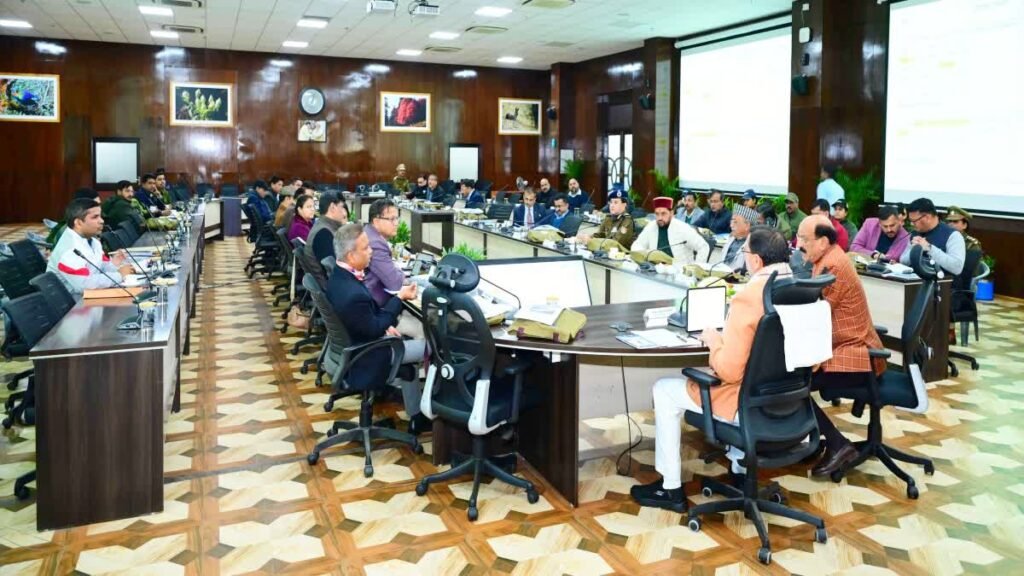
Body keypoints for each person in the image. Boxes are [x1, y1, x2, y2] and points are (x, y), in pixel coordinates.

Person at [631, 227, 794, 511]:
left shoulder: (750, 296)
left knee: (664, 390)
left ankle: (670, 488)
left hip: (745, 406)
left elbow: (730, 371)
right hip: (788, 406)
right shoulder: (801, 290)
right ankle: (740, 474)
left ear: (756, 260)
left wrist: (714, 339)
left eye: (745, 252)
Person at [795, 216, 886, 477]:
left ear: (823, 241)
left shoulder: (833, 265)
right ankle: (813, 441)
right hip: (842, 345)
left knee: (794, 385)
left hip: (856, 354)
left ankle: (837, 444)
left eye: (804, 239)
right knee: (794, 377)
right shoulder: (826, 259)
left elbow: (817, 315)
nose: (799, 244)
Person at [327, 223, 427, 434]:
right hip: (369, 355)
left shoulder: (339, 276)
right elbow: (373, 328)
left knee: (409, 336)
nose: (371, 251)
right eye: (365, 248)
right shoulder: (353, 294)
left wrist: (384, 325)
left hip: (356, 347)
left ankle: (417, 415)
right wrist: (399, 298)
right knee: (429, 346)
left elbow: (367, 320)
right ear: (351, 255)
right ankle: (426, 414)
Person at [48, 198, 134, 296]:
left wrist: (119, 267)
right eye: (95, 217)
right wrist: (119, 275)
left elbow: (102, 266)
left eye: (100, 216)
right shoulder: (69, 250)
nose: (101, 221)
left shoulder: (92, 240)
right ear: (78, 223)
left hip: (89, 295)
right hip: (73, 301)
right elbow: (84, 284)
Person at [632, 197, 710, 264]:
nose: (660, 218)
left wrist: (696, 268)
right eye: (657, 214)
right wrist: (646, 255)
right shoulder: (651, 226)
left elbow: (703, 247)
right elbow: (637, 245)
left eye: (663, 214)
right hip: (655, 270)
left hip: (680, 272)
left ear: (671, 213)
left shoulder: (682, 228)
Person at [899, 198, 965, 276]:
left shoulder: (952, 235)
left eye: (914, 221)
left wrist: (929, 248)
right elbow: (903, 262)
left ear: (927, 217)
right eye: (911, 221)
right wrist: (913, 249)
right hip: (913, 280)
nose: (912, 224)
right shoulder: (915, 233)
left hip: (942, 281)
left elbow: (957, 268)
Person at [300, 192, 349, 285]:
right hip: (330, 286)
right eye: (342, 207)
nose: (343, 212)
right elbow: (336, 269)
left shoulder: (324, 226)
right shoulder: (323, 233)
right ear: (333, 207)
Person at [719, 206, 758, 272]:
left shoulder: (753, 246)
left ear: (747, 225)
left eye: (735, 222)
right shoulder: (731, 239)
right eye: (731, 221)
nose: (731, 225)